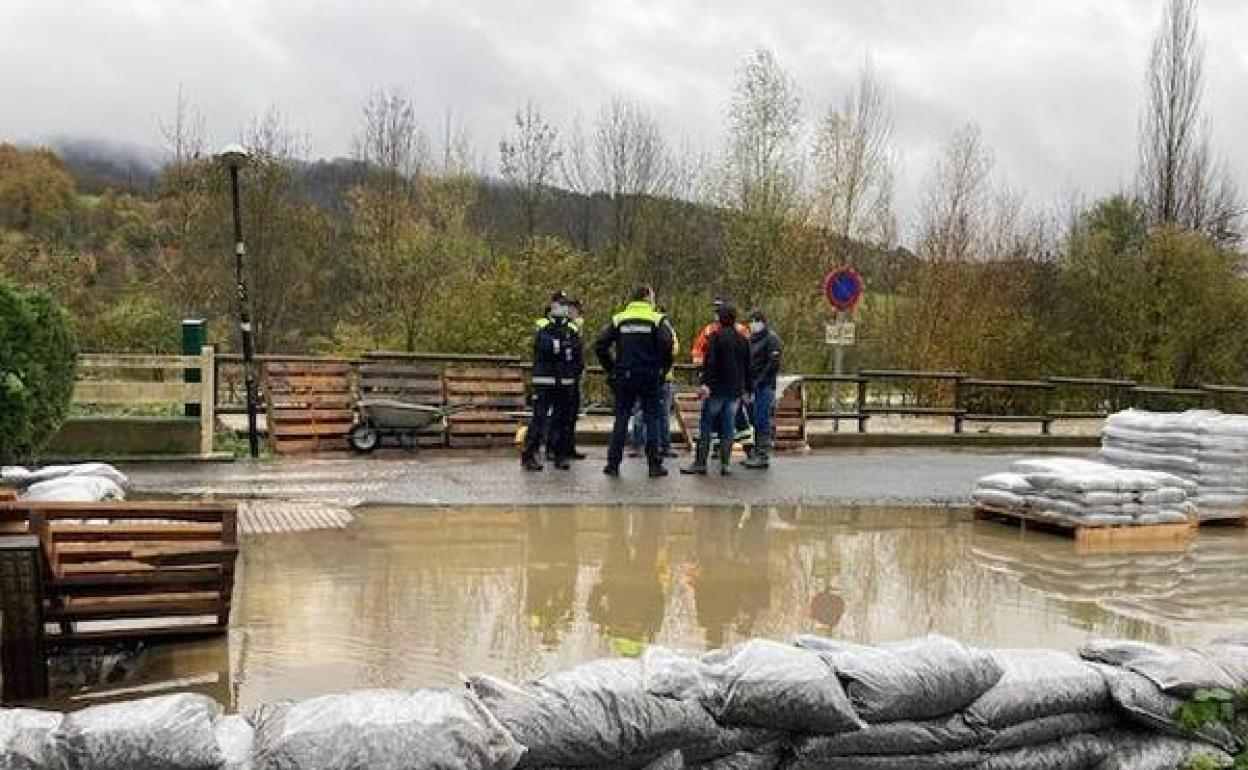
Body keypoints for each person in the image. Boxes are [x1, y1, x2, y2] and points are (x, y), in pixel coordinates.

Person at [594, 285, 675, 478]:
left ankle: (613, 464)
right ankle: (654, 464)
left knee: (621, 419)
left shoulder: (619, 319)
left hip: (624, 375)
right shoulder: (657, 319)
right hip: (649, 376)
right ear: (647, 297)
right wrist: (662, 370)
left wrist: (611, 368)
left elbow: (600, 345)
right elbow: (668, 346)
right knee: (652, 419)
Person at [682, 303, 751, 476]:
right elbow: (748, 367)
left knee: (706, 425)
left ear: (720, 318)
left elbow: (710, 364)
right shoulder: (743, 339)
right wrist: (747, 389)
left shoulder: (715, 337)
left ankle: (700, 463)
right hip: (735, 391)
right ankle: (725, 464)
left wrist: (706, 385)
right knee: (728, 428)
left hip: (717, 390)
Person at [521, 295, 580, 471]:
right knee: (539, 418)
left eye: (565, 305)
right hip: (544, 380)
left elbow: (576, 350)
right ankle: (530, 454)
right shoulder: (542, 325)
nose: (563, 308)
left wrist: (560, 347)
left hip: (565, 381)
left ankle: (559, 455)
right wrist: (562, 346)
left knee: (563, 420)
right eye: (560, 305)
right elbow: (545, 347)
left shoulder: (572, 328)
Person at [743, 309, 783, 470]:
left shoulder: (772, 339)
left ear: (761, 321)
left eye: (754, 321)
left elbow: (772, 364)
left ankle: (762, 454)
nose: (752, 325)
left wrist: (759, 381)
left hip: (764, 385)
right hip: (752, 386)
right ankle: (755, 451)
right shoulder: (752, 339)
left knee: (762, 419)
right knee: (753, 419)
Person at [549, 297, 587, 462]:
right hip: (562, 375)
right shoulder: (562, 328)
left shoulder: (574, 328)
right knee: (560, 414)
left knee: (571, 415)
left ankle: (568, 447)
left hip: (573, 376)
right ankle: (554, 447)